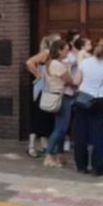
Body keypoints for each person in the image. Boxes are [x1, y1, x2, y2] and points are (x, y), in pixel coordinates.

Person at [71, 39, 103, 176]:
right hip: (102, 100)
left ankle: (81, 165)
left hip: (84, 99)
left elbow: (76, 81)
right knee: (98, 134)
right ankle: (98, 167)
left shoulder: (85, 63)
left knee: (81, 133)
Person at [26, 34, 60, 158]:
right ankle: (31, 146)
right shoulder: (46, 53)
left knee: (46, 117)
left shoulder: (55, 55)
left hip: (48, 89)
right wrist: (38, 75)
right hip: (42, 90)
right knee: (38, 116)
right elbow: (29, 62)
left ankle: (43, 145)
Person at [43, 39, 74, 168]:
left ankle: (60, 155)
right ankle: (49, 155)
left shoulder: (49, 63)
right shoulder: (58, 65)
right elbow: (69, 80)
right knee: (61, 128)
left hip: (55, 96)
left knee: (60, 127)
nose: (67, 52)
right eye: (66, 49)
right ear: (59, 50)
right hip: (63, 97)